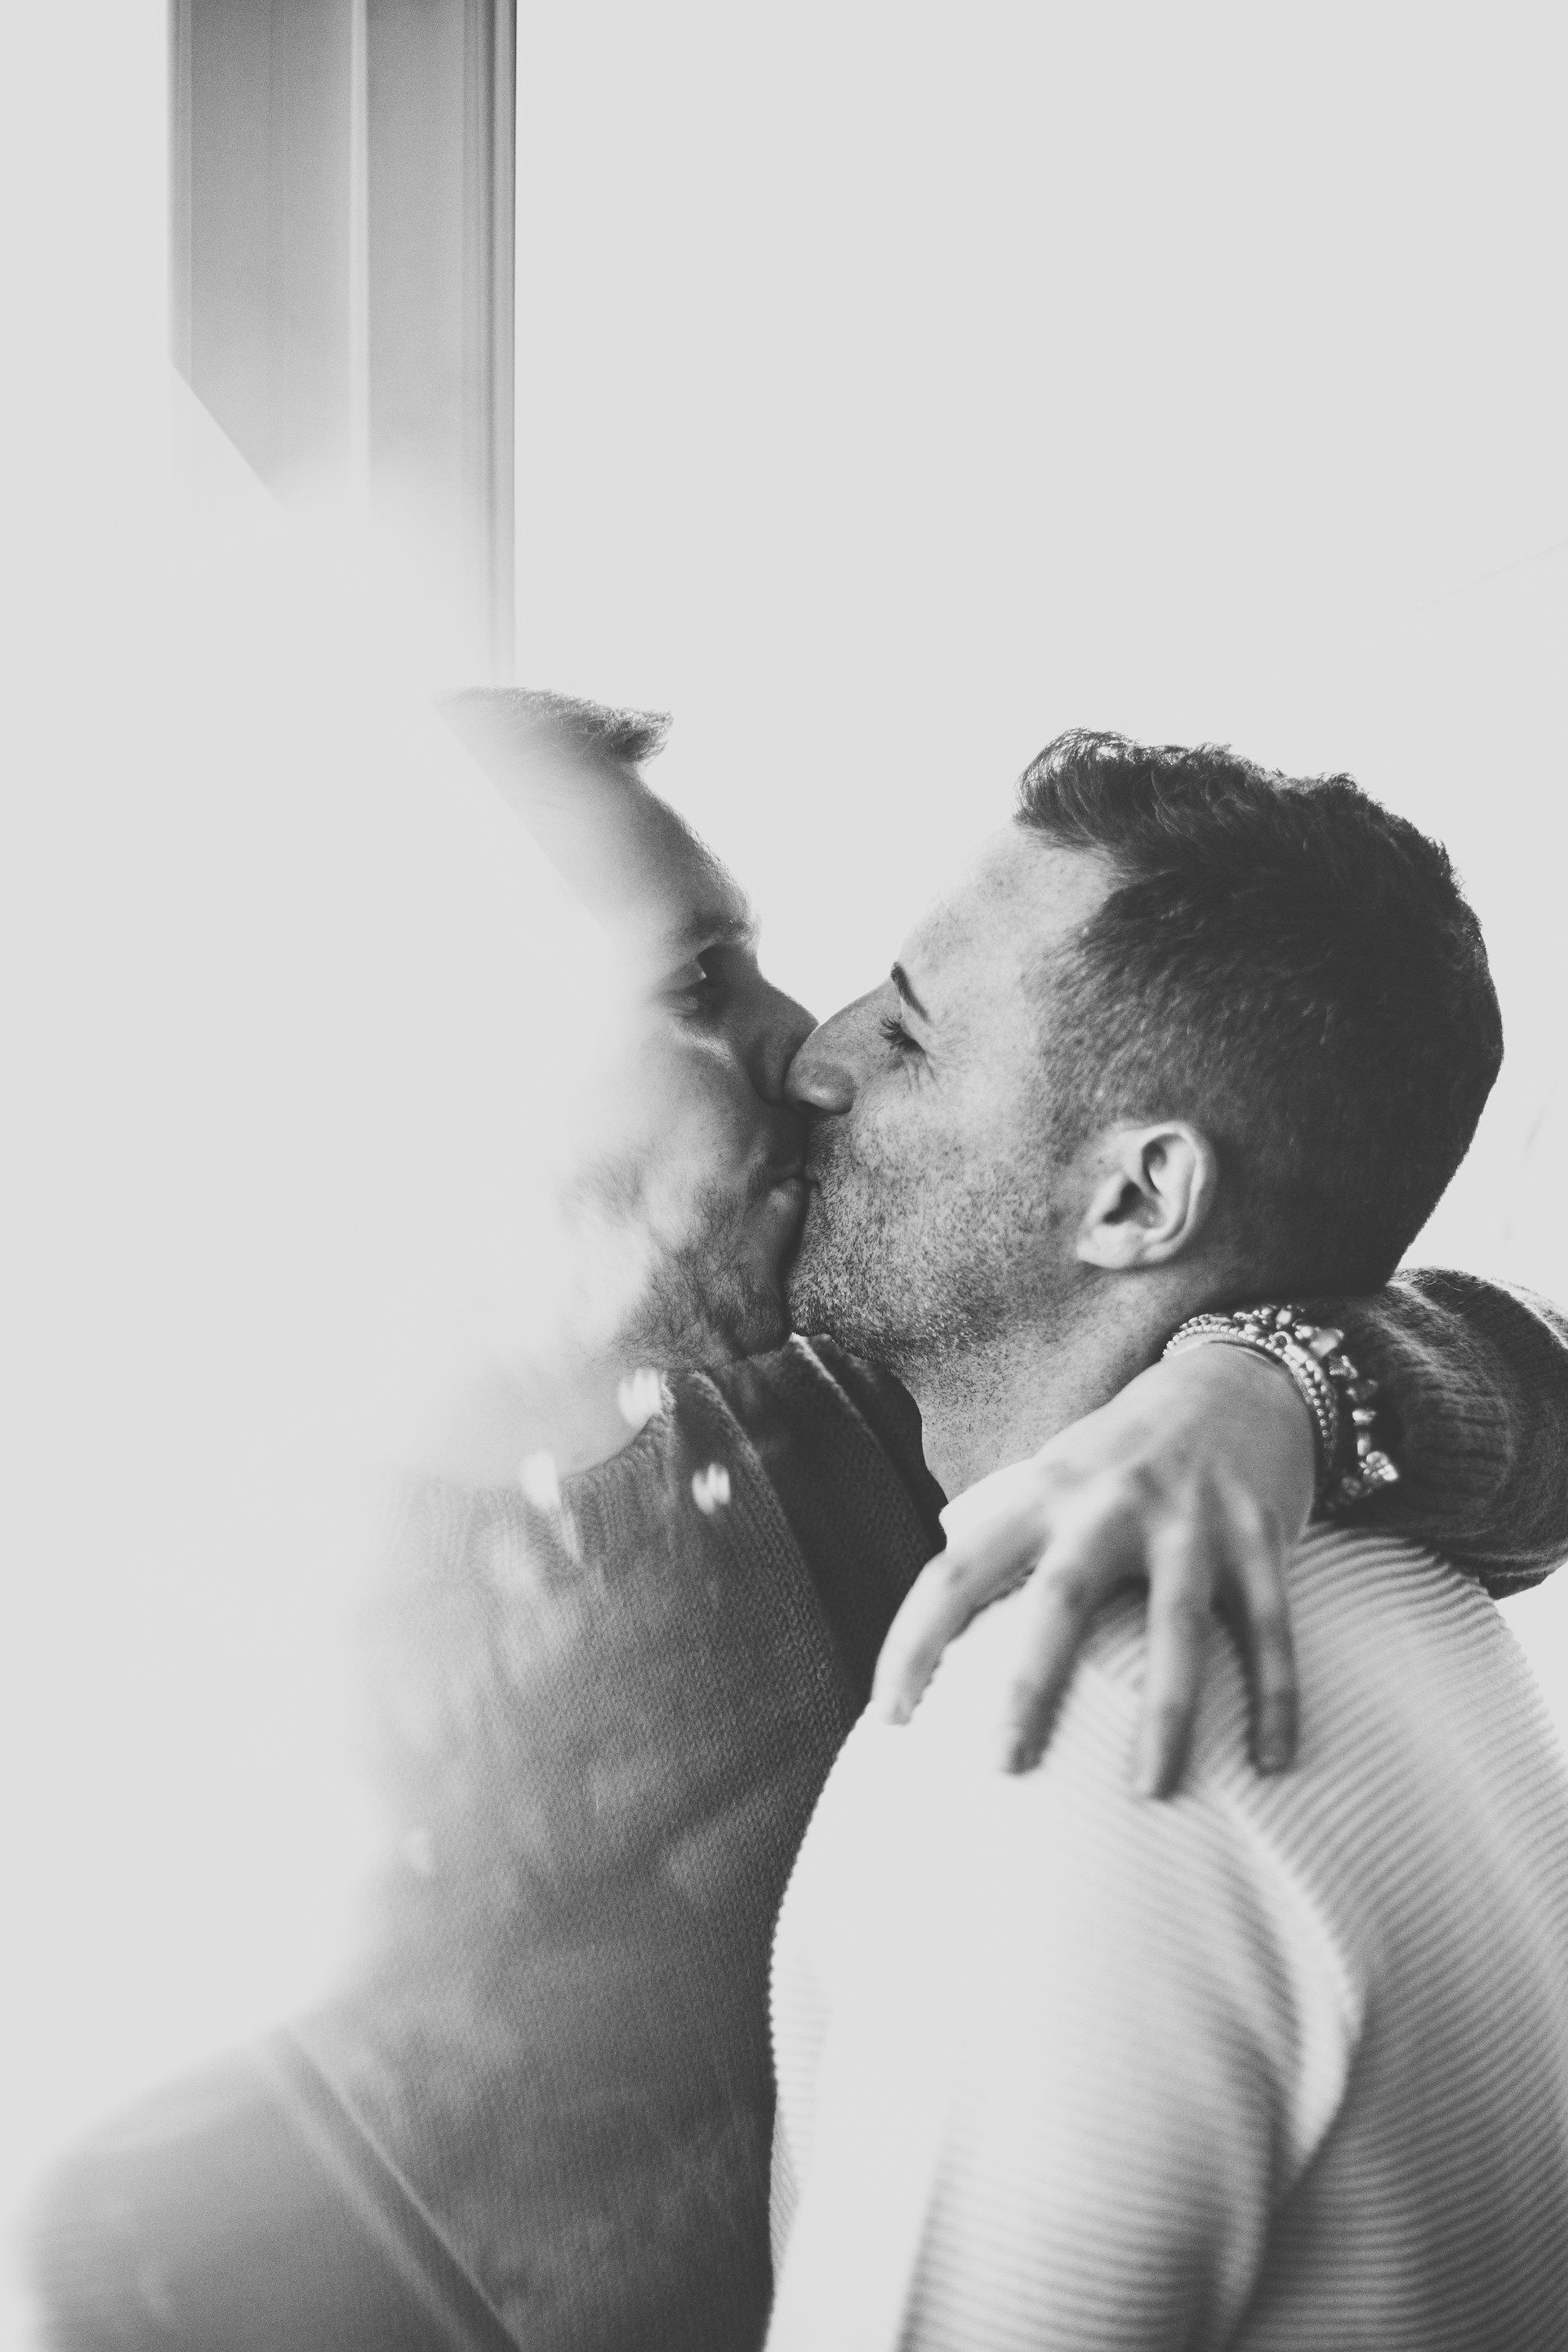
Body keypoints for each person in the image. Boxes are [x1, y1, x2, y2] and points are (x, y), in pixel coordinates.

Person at [33, 699, 1568, 2352]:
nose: (802, 1044)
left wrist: (1280, 1382)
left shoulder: (839, 1417)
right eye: (699, 984)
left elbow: (1522, 1393)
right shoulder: (128, 1721)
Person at [767, 730, 1568, 2350]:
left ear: (1134, 1204)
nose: (815, 1060)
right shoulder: (1413, 1583)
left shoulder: (1059, 1722)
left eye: (913, 1035)